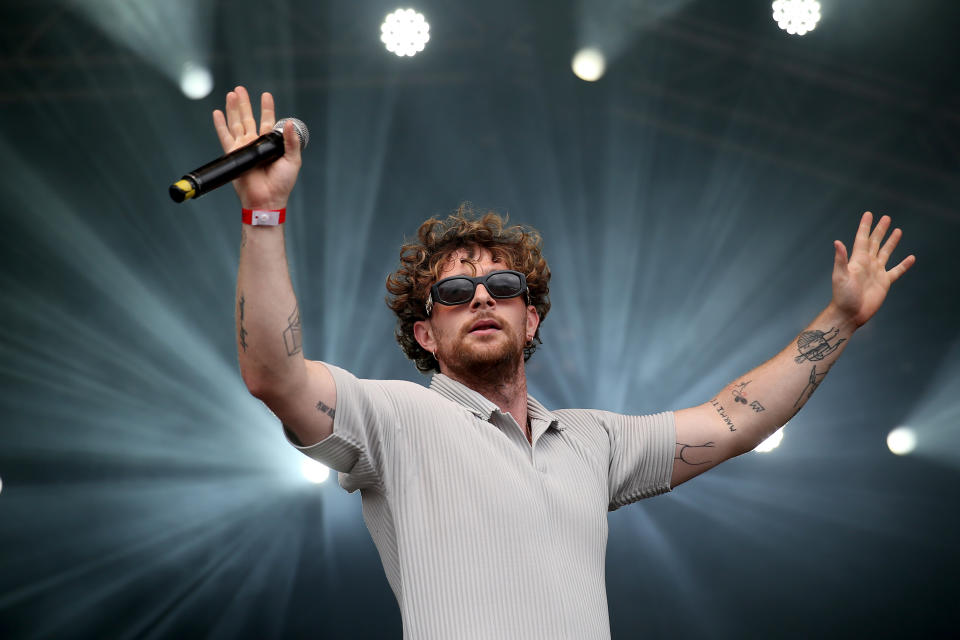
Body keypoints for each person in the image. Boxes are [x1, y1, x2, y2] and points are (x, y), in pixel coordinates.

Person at [213, 86, 916, 639]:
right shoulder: (396, 417)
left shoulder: (594, 442)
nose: (482, 296)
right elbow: (274, 374)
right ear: (425, 334)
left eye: (504, 287)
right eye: (455, 293)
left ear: (532, 316)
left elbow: (736, 419)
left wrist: (843, 318)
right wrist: (265, 214)